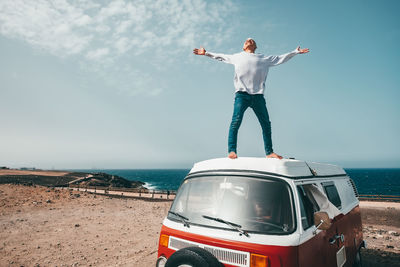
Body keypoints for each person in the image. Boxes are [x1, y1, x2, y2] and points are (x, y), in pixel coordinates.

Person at [193, 38, 309, 159]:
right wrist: (206, 53)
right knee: (236, 121)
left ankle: (269, 152)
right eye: (246, 41)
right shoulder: (237, 57)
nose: (249, 40)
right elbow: (221, 56)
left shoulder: (264, 59)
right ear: (243, 47)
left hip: (258, 96)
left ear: (256, 46)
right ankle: (232, 151)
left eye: (252, 40)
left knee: (266, 124)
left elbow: (281, 58)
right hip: (241, 95)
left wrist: (295, 52)